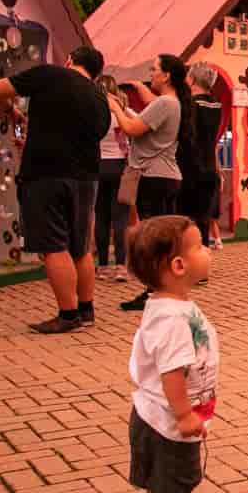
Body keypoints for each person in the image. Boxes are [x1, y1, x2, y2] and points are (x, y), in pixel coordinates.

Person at [0, 47, 110, 333]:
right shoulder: (99, 98)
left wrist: (9, 111)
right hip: (87, 177)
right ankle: (86, 309)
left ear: (69, 60)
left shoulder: (49, 74)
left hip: (46, 174)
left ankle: (68, 315)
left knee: (54, 246)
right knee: (81, 248)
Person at [125, 215, 217, 493]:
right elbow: (171, 373)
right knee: (169, 488)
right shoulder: (173, 319)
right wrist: (183, 415)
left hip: (153, 416)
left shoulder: (166, 307)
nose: (206, 251)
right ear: (178, 266)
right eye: (199, 246)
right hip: (166, 421)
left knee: (158, 484)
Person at [109, 54, 192, 311]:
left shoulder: (166, 102)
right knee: (163, 240)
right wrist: (137, 89)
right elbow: (148, 109)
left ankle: (157, 293)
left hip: (154, 176)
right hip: (164, 176)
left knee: (154, 241)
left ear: (166, 75)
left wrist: (116, 109)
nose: (151, 73)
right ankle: (160, 291)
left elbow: (133, 129)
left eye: (154, 69)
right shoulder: (172, 102)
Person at [176, 62, 223, 250]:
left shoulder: (192, 106)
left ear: (193, 79)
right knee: (203, 221)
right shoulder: (216, 105)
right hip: (210, 169)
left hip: (190, 169)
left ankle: (188, 260)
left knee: (185, 220)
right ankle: (201, 264)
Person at [94, 75, 130, 283]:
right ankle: (121, 266)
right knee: (120, 219)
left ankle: (102, 267)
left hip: (98, 166)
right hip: (118, 166)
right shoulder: (120, 112)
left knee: (101, 217)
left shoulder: (92, 114)